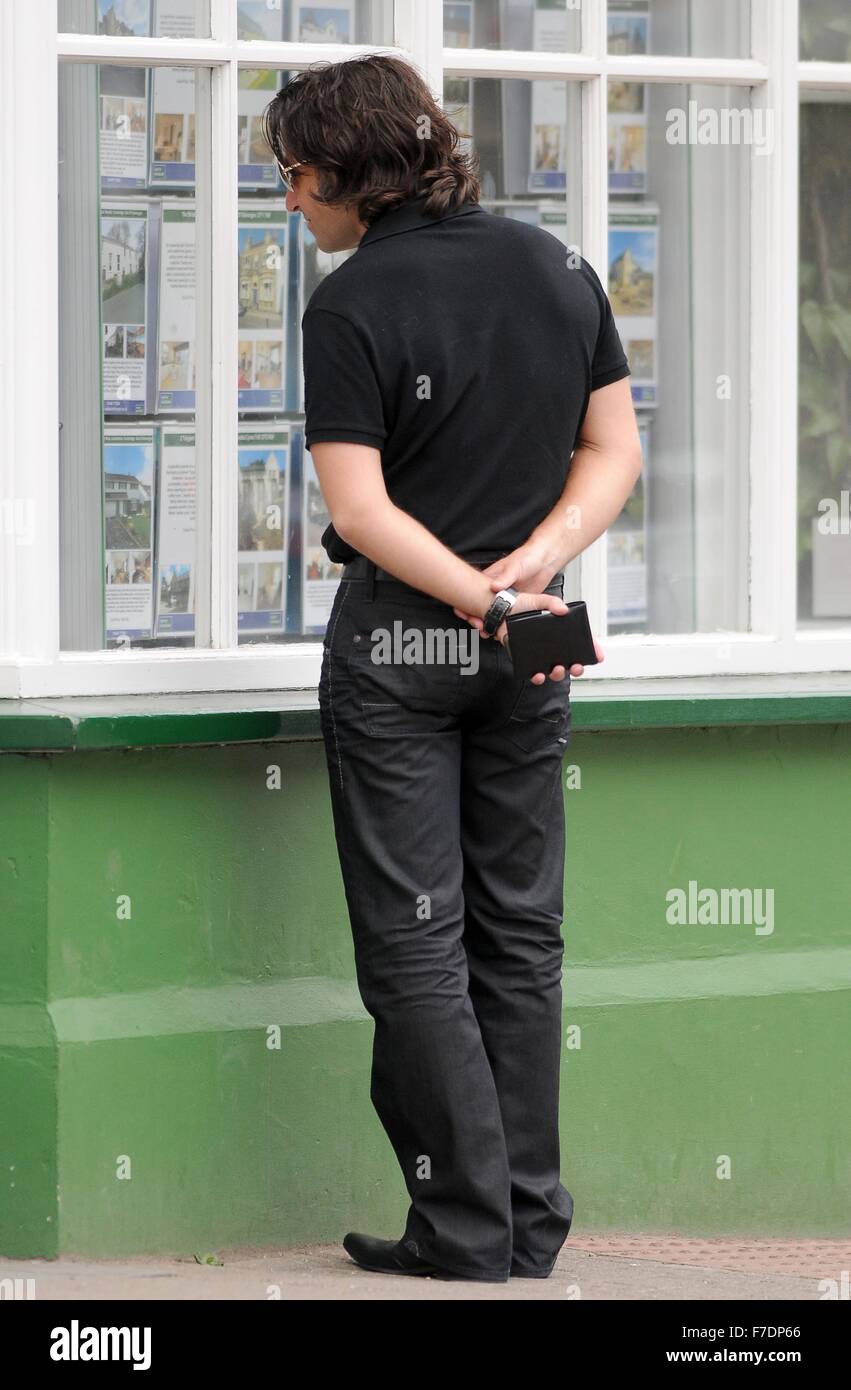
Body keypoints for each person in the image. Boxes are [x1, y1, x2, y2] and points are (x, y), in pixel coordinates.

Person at [263, 54, 642, 1284]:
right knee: (520, 938)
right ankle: (526, 1223)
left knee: (416, 946)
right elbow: (614, 447)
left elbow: (361, 513)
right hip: (526, 645)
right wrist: (528, 572)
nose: (289, 202)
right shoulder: (557, 267)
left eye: (294, 175)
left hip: (402, 648)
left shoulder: (351, 306)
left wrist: (479, 593)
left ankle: (465, 1228)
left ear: (348, 174)